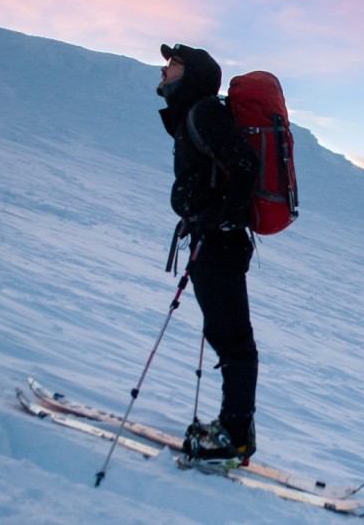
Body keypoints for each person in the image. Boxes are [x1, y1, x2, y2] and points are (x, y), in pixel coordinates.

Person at [157, 43, 260, 464]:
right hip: (213, 242)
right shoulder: (195, 115)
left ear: (193, 74)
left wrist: (224, 218)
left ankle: (234, 437)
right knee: (225, 335)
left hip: (219, 244)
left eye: (173, 65)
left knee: (233, 341)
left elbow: (246, 165)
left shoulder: (203, 113)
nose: (164, 71)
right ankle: (234, 430)